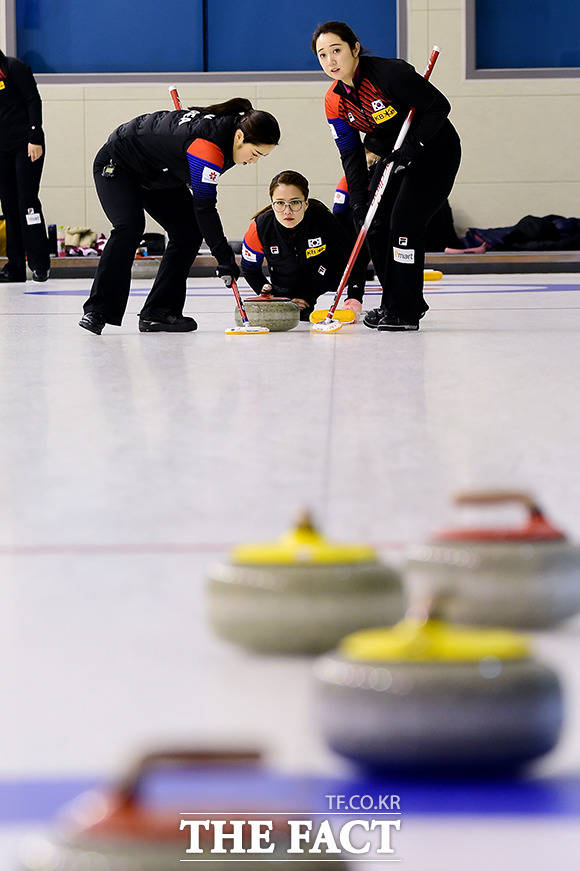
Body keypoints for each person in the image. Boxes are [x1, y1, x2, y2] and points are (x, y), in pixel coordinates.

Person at [79, 99, 280, 334]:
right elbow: (204, 208)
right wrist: (224, 258)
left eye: (261, 157)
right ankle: (98, 310)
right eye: (255, 153)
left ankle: (159, 312)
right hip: (119, 163)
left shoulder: (229, 133)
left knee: (188, 232)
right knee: (129, 227)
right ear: (239, 137)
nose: (253, 161)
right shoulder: (208, 148)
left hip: (158, 172)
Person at [312, 21, 461, 331]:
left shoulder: (390, 75)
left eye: (336, 50)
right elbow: (351, 154)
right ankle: (394, 302)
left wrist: (414, 144)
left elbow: (439, 106)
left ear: (354, 48)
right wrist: (357, 200)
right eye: (322, 55)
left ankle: (405, 312)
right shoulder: (334, 100)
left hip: (433, 151)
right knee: (372, 223)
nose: (331, 61)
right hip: (392, 158)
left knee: (404, 221)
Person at [240, 169, 365, 322]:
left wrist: (354, 298)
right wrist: (271, 297)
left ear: (306, 203)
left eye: (295, 202)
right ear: (272, 204)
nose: (287, 211)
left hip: (322, 275)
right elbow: (249, 269)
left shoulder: (323, 219)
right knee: (295, 314)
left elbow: (353, 258)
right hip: (283, 282)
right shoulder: (259, 228)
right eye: (280, 203)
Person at [0, 49, 51, 283]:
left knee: (27, 202)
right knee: (8, 205)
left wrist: (35, 137)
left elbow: (33, 100)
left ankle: (40, 263)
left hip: (26, 144)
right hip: (2, 148)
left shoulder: (13, 68)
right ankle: (15, 266)